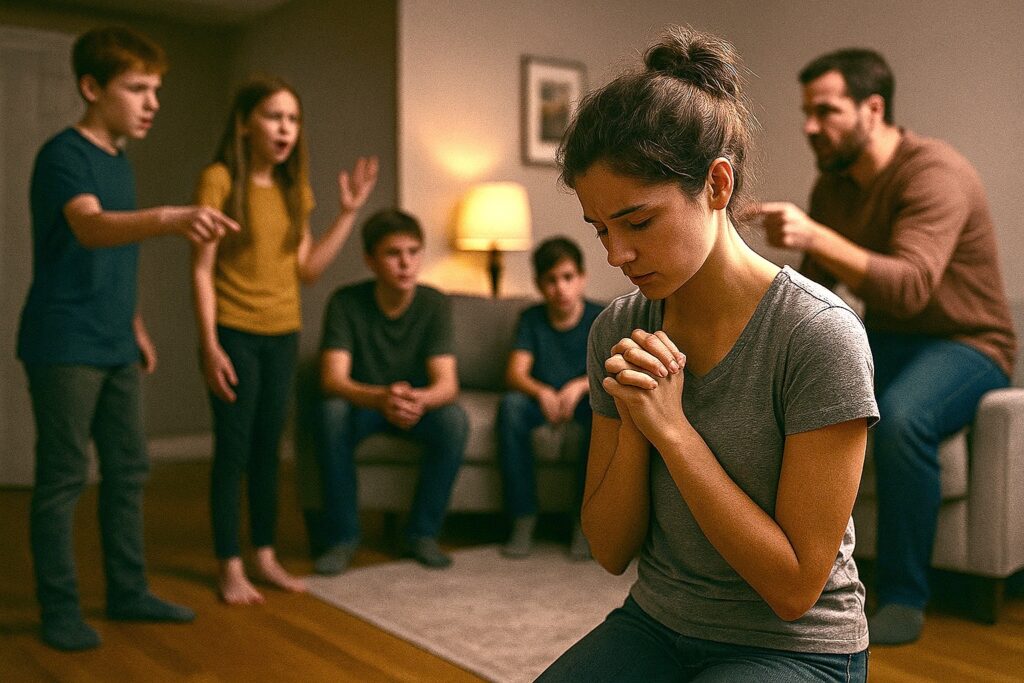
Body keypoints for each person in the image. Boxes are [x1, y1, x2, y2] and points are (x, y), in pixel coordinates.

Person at [538, 26, 879, 681]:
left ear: (717, 185)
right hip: (655, 623)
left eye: (637, 222)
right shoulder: (619, 327)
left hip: (796, 646)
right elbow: (609, 550)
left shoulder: (818, 335)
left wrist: (673, 429)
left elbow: (793, 589)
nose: (615, 254)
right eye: (601, 228)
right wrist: (636, 420)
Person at [746, 48, 1016, 646]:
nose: (811, 126)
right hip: (892, 337)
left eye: (827, 111)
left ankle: (902, 596)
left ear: (873, 108)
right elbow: (817, 288)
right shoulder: (834, 184)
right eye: (807, 113)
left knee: (902, 418)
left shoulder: (935, 173)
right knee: (787, 393)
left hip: (969, 343)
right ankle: (783, 570)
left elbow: (913, 286)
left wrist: (816, 234)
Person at [16, 26, 240, 651]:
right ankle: (60, 610)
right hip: (63, 342)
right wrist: (171, 217)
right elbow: (89, 229)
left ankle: (128, 591)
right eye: (137, 88)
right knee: (64, 478)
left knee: (129, 470)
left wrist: (135, 322)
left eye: (156, 90)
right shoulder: (64, 155)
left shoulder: (120, 162)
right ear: (92, 88)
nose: (152, 103)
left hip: (115, 338)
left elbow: (113, 258)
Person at [191, 76, 378, 605]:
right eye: (274, 117)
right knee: (233, 451)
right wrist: (209, 344)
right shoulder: (219, 179)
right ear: (246, 122)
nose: (285, 129)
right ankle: (230, 564)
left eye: (293, 119)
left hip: (282, 333)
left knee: (270, 450)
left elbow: (308, 269)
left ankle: (264, 555)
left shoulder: (298, 190)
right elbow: (201, 270)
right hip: (232, 332)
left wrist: (347, 212)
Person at [313, 209, 468, 574]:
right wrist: (381, 397)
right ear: (370, 259)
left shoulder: (433, 303)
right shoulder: (345, 302)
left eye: (414, 252)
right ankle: (342, 538)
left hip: (415, 408)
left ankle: (421, 534)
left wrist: (416, 400)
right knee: (328, 412)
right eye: (393, 253)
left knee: (454, 421)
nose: (406, 263)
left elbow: (447, 385)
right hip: (364, 405)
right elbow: (333, 380)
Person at [497, 236, 602, 559]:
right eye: (551, 280)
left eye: (568, 277)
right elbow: (515, 374)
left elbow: (614, 370)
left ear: (581, 278)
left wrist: (579, 386)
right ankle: (523, 516)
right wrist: (542, 391)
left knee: (604, 412)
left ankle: (583, 523)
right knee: (510, 407)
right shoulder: (532, 318)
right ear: (540, 285)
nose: (561, 288)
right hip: (541, 402)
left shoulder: (602, 316)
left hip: (585, 401)